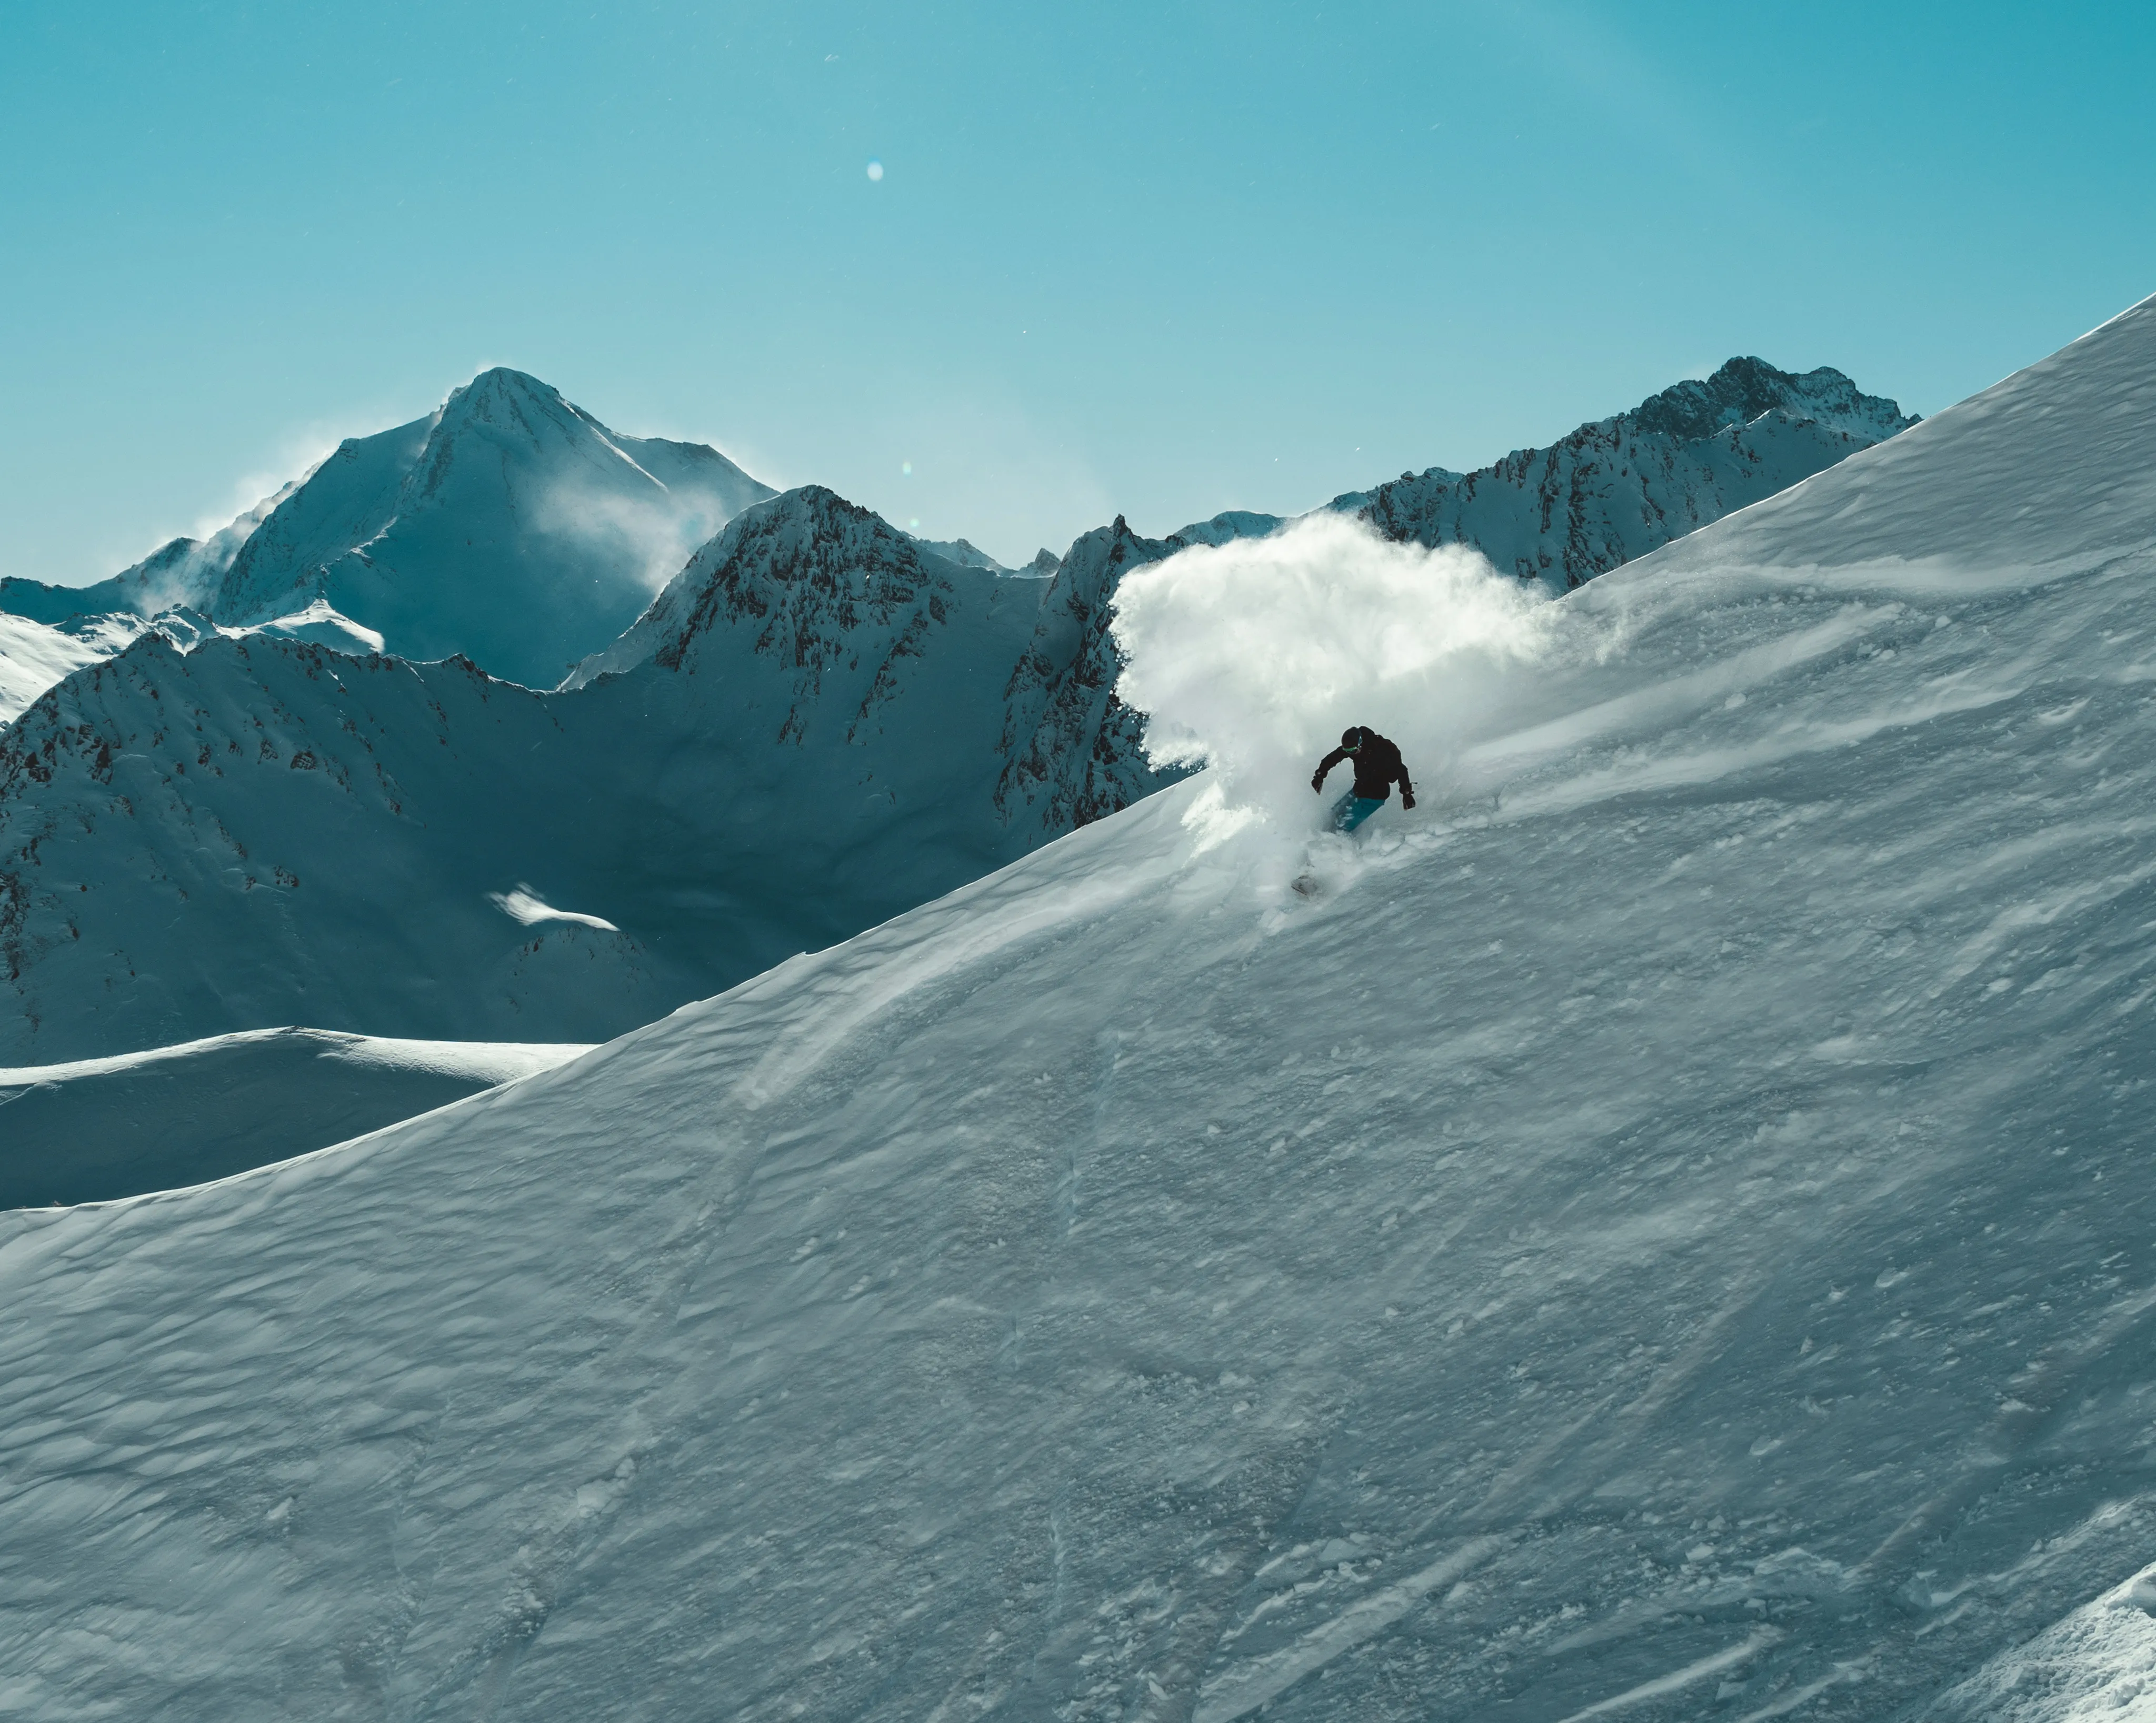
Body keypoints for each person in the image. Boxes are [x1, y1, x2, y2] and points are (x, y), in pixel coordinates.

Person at [1312, 725, 1415, 832]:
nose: (1351, 753)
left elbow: (1401, 770)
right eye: (1348, 751)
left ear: (1360, 743)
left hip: (1374, 797)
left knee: (1341, 827)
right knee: (1333, 815)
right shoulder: (1353, 748)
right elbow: (1332, 758)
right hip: (1359, 788)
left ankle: (1337, 841)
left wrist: (1407, 794)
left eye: (1353, 751)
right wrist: (1320, 775)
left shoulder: (1382, 751)